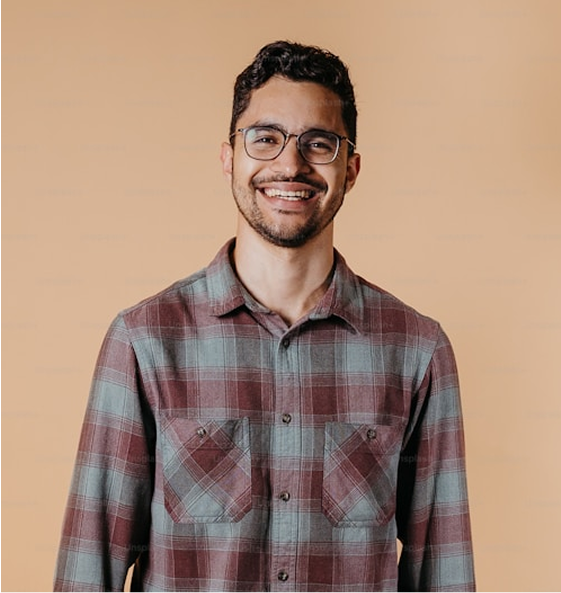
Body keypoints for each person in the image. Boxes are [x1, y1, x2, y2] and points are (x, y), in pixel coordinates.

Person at [54, 40, 476, 592]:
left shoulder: (417, 351)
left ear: (350, 169)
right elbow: (90, 566)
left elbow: (444, 570)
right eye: (265, 138)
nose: (290, 164)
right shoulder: (144, 341)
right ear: (229, 157)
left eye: (318, 143)